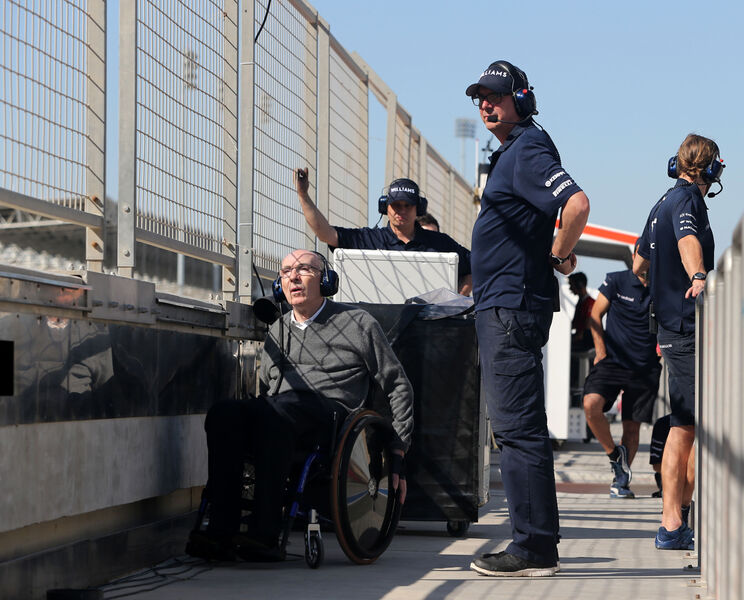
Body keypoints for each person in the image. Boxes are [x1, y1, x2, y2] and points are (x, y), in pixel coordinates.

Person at [186, 249, 414, 562]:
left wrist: (397, 451)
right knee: (223, 413)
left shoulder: (358, 323)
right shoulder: (277, 330)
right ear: (279, 285)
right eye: (286, 271)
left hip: (330, 417)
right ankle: (220, 531)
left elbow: (398, 385)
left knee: (276, 415)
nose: (294, 276)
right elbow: (266, 389)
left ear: (326, 280)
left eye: (304, 269)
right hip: (280, 412)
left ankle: (264, 533)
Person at [464, 60, 590, 577]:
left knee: (518, 431)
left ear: (522, 99)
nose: (485, 104)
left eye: (495, 95)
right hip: (508, 304)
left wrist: (559, 254)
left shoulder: (528, 148)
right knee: (518, 430)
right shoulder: (516, 152)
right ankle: (534, 541)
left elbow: (577, 204)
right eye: (479, 98)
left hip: (511, 308)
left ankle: (533, 546)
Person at [633, 133, 724, 550]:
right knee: (686, 426)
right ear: (709, 169)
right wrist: (697, 276)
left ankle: (681, 521)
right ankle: (672, 525)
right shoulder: (688, 200)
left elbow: (639, 261)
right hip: (686, 328)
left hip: (672, 326)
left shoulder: (660, 204)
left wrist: (661, 290)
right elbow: (688, 240)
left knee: (690, 425)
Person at [294, 169, 472, 295]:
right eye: (395, 205)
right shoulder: (369, 239)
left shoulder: (440, 242)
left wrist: (454, 301)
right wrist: (303, 196)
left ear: (418, 209)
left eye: (407, 206)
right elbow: (325, 233)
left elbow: (475, 268)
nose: (400, 211)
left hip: (428, 331)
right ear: (384, 207)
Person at [582, 254, 661, 498]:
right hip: (612, 362)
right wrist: (601, 351)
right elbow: (595, 315)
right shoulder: (617, 281)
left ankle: (621, 480)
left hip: (645, 367)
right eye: (643, 254)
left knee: (632, 427)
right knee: (590, 405)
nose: (647, 260)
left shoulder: (662, 287)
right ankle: (615, 455)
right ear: (635, 256)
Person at [567, 272, 594, 352]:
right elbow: (574, 325)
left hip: (587, 345)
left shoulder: (590, 303)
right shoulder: (580, 303)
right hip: (580, 341)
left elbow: (585, 332)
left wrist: (568, 342)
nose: (570, 288)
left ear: (579, 285)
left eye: (571, 285)